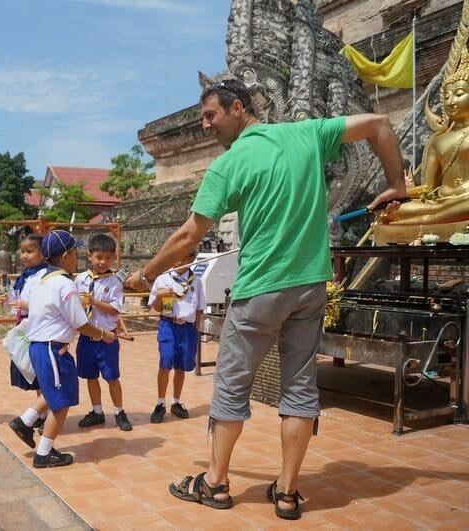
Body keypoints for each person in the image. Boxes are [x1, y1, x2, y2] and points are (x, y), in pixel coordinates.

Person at [125, 78, 406, 520]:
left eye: (210, 115)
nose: (204, 125)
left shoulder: (230, 164)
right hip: (311, 286)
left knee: (232, 388)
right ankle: (288, 492)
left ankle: (215, 483)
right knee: (299, 388)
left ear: (238, 109)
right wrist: (397, 185)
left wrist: (144, 274)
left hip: (260, 289)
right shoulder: (305, 133)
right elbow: (380, 124)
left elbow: (187, 236)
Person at [8, 230, 115, 468]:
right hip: (52, 348)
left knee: (55, 391)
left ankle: (25, 421)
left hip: (41, 346)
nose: (77, 259)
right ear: (66, 256)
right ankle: (44, 453)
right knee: (62, 400)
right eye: (76, 253)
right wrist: (104, 334)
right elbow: (81, 324)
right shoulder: (64, 284)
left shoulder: (40, 280)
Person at [380, 52, 469, 225]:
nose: (450, 102)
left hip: (466, 201)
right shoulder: (438, 140)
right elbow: (428, 188)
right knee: (388, 211)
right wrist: (403, 192)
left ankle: (427, 219)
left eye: (459, 94)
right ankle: (429, 217)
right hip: (440, 202)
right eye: (445, 96)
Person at [74, 233, 131, 431]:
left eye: (108, 258)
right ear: (90, 256)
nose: (103, 262)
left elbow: (115, 309)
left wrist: (94, 302)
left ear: (113, 257)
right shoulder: (80, 279)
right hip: (87, 336)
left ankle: (119, 411)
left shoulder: (114, 282)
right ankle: (97, 411)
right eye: (99, 257)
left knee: (112, 377)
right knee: (90, 376)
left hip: (107, 338)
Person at [147, 249, 205, 424]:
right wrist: (160, 296)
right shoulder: (163, 279)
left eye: (182, 257)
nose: (177, 261)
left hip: (187, 328)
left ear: (191, 258)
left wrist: (196, 330)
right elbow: (156, 308)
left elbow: (200, 308)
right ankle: (160, 403)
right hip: (168, 325)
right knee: (165, 362)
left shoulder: (196, 281)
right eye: (174, 257)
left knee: (182, 365)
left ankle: (176, 402)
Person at [5, 234, 49, 431]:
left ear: (43, 253)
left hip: (40, 329)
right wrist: (12, 304)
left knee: (42, 374)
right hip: (26, 327)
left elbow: (48, 305)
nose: (24, 256)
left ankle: (45, 413)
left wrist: (26, 305)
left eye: (29, 251)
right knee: (34, 373)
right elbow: (20, 301)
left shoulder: (45, 276)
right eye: (22, 251)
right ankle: (43, 412)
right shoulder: (26, 276)